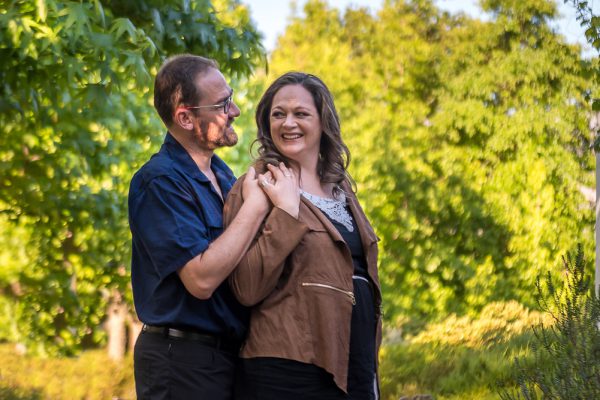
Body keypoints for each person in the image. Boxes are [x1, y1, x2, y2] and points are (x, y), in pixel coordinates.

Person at [223, 72, 382, 399]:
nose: (288, 123)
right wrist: (285, 213)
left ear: (323, 122)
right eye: (278, 114)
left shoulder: (341, 188)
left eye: (301, 113)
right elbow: (246, 287)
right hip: (288, 368)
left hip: (353, 361)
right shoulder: (257, 185)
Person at [128, 54, 270, 399]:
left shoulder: (224, 176)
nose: (235, 110)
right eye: (222, 104)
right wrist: (256, 206)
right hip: (181, 363)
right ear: (185, 118)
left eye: (230, 97)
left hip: (228, 358)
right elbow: (201, 279)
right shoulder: (159, 182)